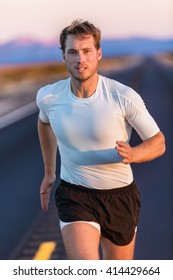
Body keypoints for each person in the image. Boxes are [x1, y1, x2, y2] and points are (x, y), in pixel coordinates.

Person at [36, 19, 165, 260]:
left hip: (119, 197)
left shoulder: (122, 96)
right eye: (72, 52)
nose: (80, 59)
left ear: (98, 54)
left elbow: (158, 142)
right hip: (75, 195)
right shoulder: (49, 97)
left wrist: (135, 154)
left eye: (86, 51)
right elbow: (44, 122)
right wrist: (49, 171)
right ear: (63, 56)